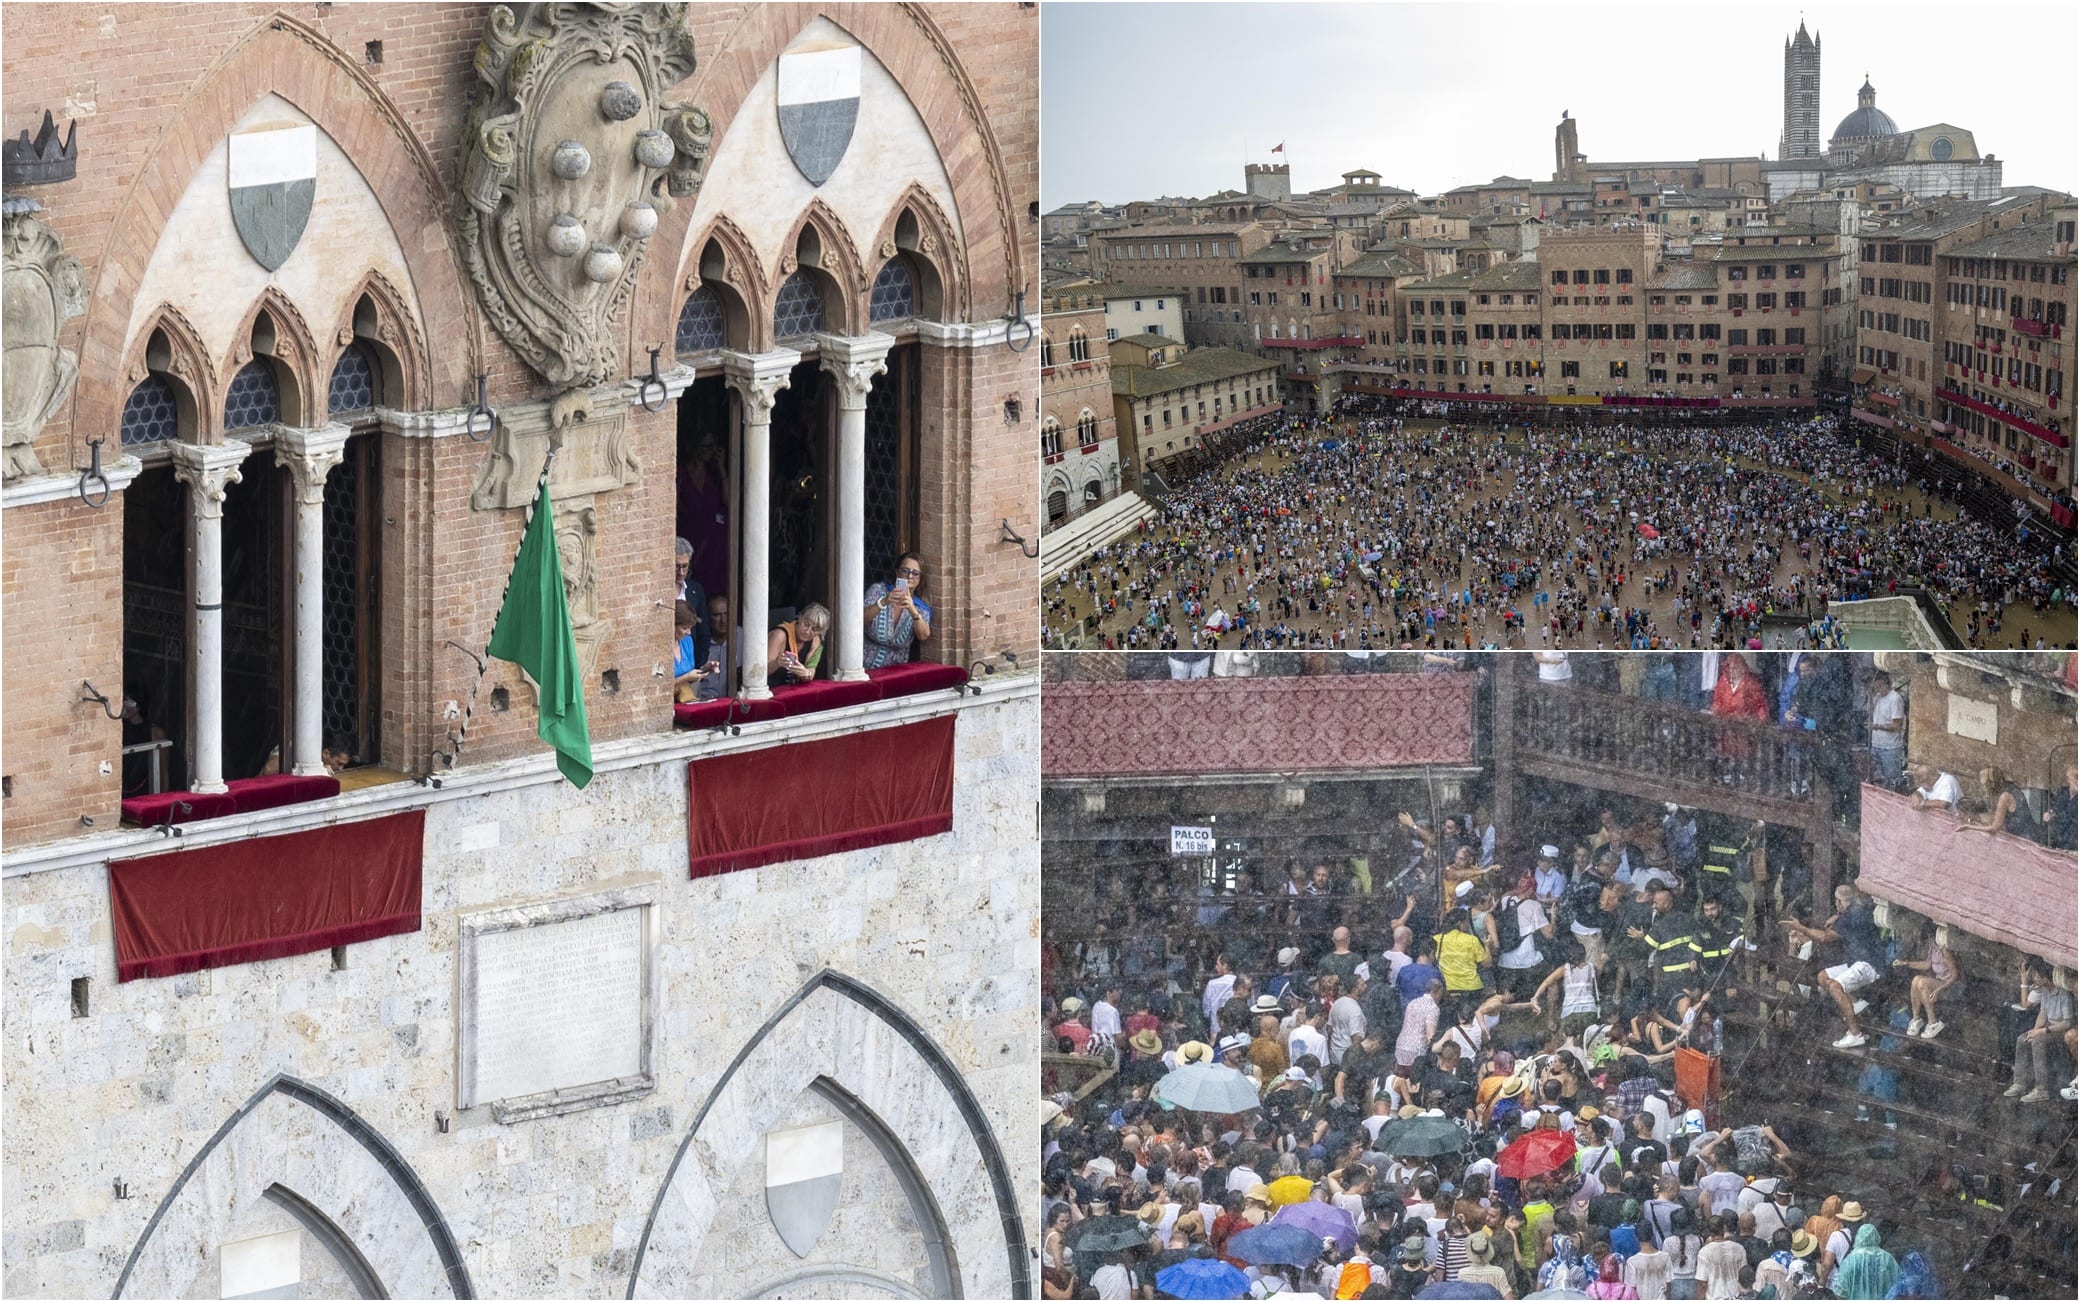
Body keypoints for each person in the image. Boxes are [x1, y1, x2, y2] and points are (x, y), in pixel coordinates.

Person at [1779, 884, 1883, 1049]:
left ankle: (1855, 1033)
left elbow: (1826, 938)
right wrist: (1837, 916)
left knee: (1835, 986)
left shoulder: (1851, 916)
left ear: (1838, 901)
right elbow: (1844, 915)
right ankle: (1855, 1003)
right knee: (1823, 976)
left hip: (1868, 965)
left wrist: (1801, 928)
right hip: (1855, 962)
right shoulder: (1855, 909)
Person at [2004, 960, 2075, 1103]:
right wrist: (2034, 1030)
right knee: (2022, 1039)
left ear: (2046, 979)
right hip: (2047, 1028)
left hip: (2060, 1030)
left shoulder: (2063, 994)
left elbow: (2067, 1022)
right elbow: (2043, 1014)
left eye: (2037, 976)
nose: (2034, 979)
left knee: (2038, 1042)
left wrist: (2042, 1031)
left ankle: (2042, 1089)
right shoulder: (2045, 992)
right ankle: (2020, 1082)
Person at [863, 553, 932, 668]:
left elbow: (923, 635)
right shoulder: (878, 591)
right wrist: (884, 602)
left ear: (920, 578)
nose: (909, 576)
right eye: (905, 571)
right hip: (865, 666)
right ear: (897, 572)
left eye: (915, 573)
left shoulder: (920, 607)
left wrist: (912, 609)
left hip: (895, 671)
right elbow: (860, 620)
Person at [1891, 925, 1957, 1039]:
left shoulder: (1945, 951)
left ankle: (1933, 1022)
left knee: (1923, 983)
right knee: (1916, 980)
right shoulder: (1933, 946)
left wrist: (1938, 990)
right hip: (1939, 981)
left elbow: (1955, 976)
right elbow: (1927, 965)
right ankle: (1916, 1019)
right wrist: (1906, 963)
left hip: (1950, 986)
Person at [1827, 1223, 1898, 1300]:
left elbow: (1840, 1291)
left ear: (1858, 1238)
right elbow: (1898, 1282)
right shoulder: (1887, 1258)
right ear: (1877, 1237)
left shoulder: (1850, 1261)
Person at [767, 602, 830, 684]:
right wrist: (777, 663)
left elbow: (811, 672)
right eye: (806, 624)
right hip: (770, 688)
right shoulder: (779, 635)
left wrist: (806, 673)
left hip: (794, 688)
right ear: (799, 617)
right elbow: (761, 672)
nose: (807, 632)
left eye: (814, 629)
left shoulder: (816, 641)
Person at [671, 601, 719, 703]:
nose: (689, 632)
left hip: (687, 700)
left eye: (690, 628)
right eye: (684, 628)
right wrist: (685, 677)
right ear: (672, 624)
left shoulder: (687, 641)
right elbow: (657, 686)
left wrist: (704, 670)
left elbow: (690, 675)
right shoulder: (659, 648)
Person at [1865, 671, 1905, 789]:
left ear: (1883, 683)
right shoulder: (1877, 698)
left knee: (1891, 782)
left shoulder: (1895, 699)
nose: (1876, 689)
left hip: (1889, 748)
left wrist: (1877, 726)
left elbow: (1897, 726)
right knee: (1878, 779)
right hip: (1876, 744)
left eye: (1877, 686)